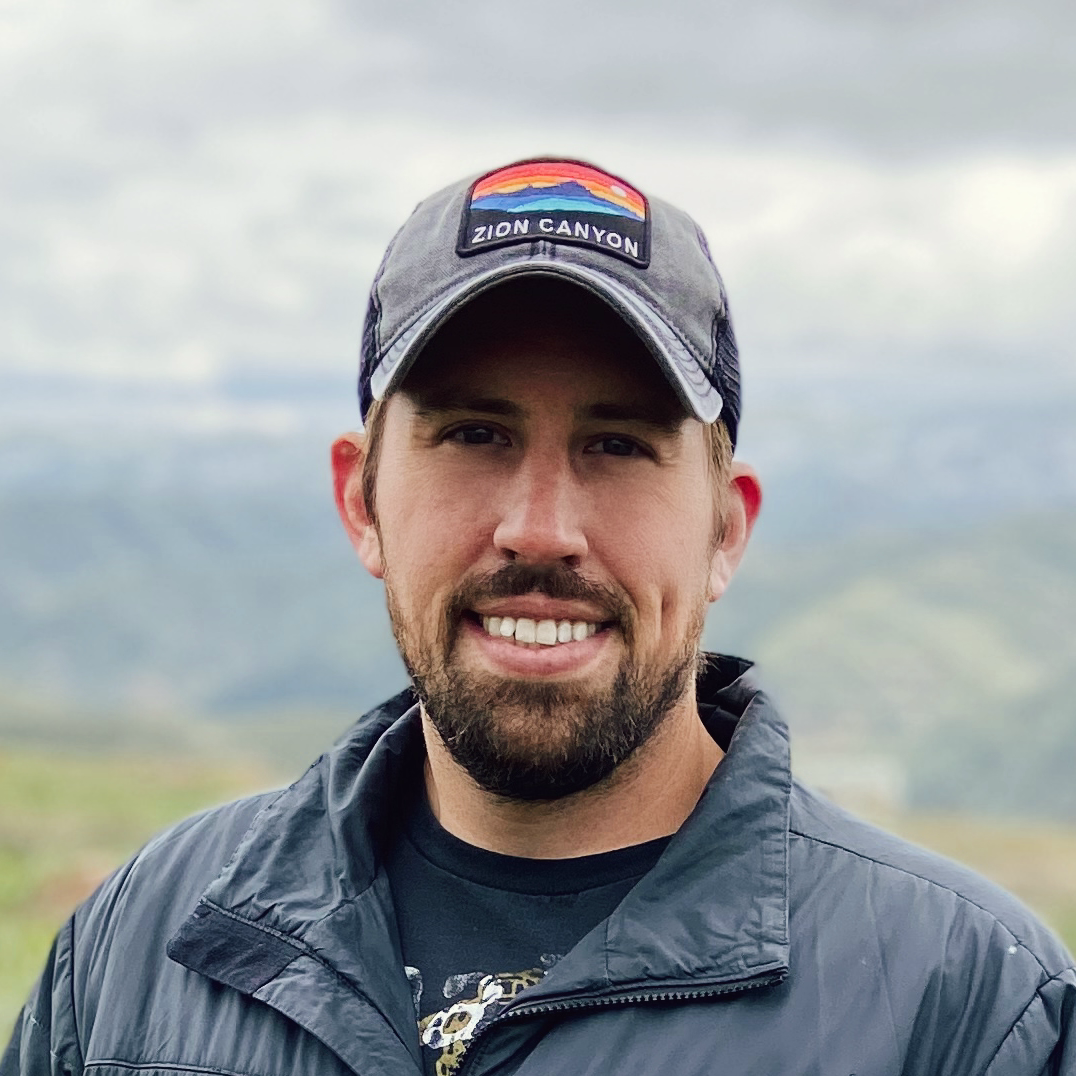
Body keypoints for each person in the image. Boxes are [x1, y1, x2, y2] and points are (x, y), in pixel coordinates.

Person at [4, 157, 1074, 1076]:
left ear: (723, 531)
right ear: (359, 499)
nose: (539, 527)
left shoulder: (964, 1006)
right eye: (474, 433)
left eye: (617, 444)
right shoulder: (149, 940)